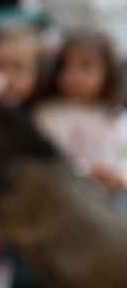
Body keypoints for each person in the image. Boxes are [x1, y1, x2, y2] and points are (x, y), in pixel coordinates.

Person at [33, 32, 127, 192]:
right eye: (66, 66)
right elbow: (48, 163)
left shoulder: (118, 116)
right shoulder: (49, 113)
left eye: (85, 66)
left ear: (108, 72)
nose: (73, 75)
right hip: (68, 198)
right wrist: (85, 175)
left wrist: (120, 177)